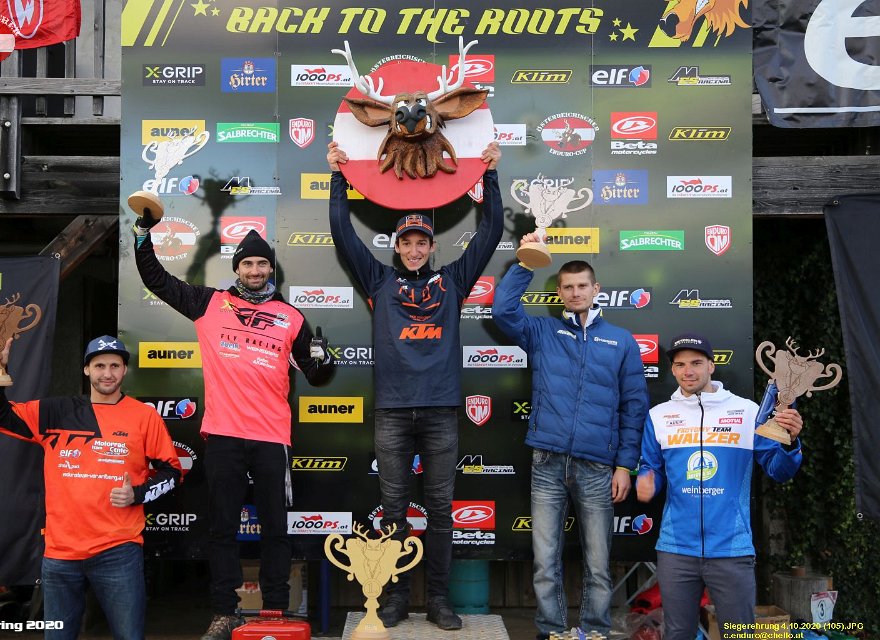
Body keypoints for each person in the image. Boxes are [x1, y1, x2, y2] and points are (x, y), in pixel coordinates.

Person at [326, 140, 504, 630]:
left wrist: (490, 176)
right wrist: (338, 176)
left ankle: (440, 601)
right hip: (392, 412)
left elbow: (490, 231)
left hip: (441, 411)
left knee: (442, 510)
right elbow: (343, 232)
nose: (413, 249)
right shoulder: (379, 280)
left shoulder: (453, 281)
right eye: (405, 242)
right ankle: (397, 597)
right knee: (393, 511)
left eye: (421, 242)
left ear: (432, 246)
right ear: (396, 247)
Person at [132, 221, 334, 640]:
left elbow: (316, 377)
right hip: (223, 434)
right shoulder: (209, 303)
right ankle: (224, 613)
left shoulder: (291, 316)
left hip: (271, 437)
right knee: (222, 527)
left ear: (270, 269)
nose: (255, 270)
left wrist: (324, 360)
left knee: (275, 528)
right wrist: (141, 236)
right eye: (247, 264)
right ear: (237, 268)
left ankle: (275, 609)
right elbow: (156, 280)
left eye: (262, 264)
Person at [492, 239, 649, 639]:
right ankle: (551, 631)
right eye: (568, 287)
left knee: (598, 563)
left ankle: (594, 632)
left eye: (582, 286)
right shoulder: (543, 331)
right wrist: (526, 263)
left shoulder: (621, 341)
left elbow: (634, 408)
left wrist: (625, 465)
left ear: (596, 289)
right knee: (545, 560)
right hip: (547, 462)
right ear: (559, 292)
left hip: (598, 466)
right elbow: (503, 310)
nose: (576, 292)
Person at [0, 335, 182, 640]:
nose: (107, 373)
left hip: (118, 549)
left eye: (115, 366)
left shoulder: (144, 415)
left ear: (124, 370)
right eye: (99, 366)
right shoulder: (56, 411)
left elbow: (172, 472)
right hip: (61, 552)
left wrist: (137, 494)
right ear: (86, 370)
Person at [637, 333, 803, 640]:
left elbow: (778, 470)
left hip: (731, 548)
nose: (688, 371)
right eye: (680, 364)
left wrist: (791, 443)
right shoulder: (659, 416)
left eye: (696, 363)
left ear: (712, 366)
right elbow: (651, 467)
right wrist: (647, 480)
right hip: (676, 549)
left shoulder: (748, 412)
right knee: (677, 634)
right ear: (672, 369)